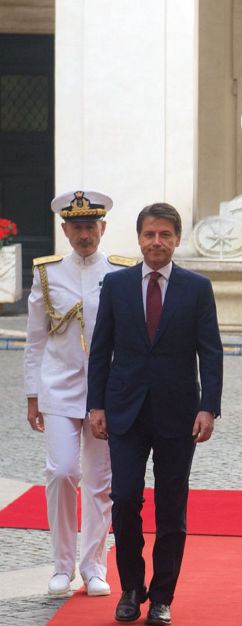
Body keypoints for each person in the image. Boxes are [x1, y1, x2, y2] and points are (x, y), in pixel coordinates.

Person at [87, 202, 222, 626]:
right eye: (149, 235)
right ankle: (131, 588)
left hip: (178, 415)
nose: (157, 242)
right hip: (125, 411)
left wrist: (208, 408)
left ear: (177, 239)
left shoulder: (197, 288)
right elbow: (101, 349)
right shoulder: (117, 284)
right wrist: (96, 404)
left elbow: (211, 352)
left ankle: (162, 596)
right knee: (125, 498)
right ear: (139, 238)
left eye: (165, 235)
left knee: (171, 508)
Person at [25, 190, 133, 598]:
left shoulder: (123, 271)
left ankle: (93, 567)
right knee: (62, 471)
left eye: (91, 226)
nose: (85, 234)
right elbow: (35, 338)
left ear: (103, 228)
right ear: (65, 230)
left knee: (100, 481)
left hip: (107, 390)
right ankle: (62, 565)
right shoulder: (48, 272)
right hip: (58, 387)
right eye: (77, 227)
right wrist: (32, 394)